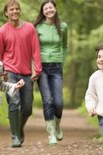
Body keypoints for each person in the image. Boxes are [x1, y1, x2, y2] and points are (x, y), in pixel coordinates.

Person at [0, 0, 42, 147]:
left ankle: (19, 129)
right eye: (11, 9)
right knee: (14, 103)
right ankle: (15, 136)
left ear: (19, 11)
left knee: (27, 107)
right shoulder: (1, 31)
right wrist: (0, 73)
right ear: (6, 13)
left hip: (27, 73)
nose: (15, 11)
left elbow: (35, 49)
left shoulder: (29, 28)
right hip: (10, 73)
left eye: (17, 9)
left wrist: (37, 69)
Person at [34, 0, 68, 145]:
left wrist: (62, 61)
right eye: (45, 8)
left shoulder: (63, 26)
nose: (48, 10)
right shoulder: (37, 27)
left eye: (51, 7)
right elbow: (33, 49)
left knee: (58, 103)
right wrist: (34, 67)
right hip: (41, 67)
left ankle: (57, 125)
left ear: (55, 8)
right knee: (47, 101)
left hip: (56, 66)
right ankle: (51, 133)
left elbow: (65, 46)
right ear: (43, 12)